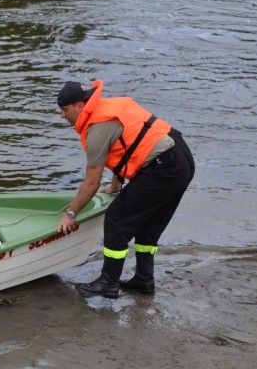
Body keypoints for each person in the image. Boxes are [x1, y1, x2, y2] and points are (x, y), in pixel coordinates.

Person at [55, 80, 194, 298]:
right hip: (180, 158)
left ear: (80, 105)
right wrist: (115, 184)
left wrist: (71, 214)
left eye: (64, 109)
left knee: (116, 220)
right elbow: (126, 148)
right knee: (148, 225)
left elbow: (91, 182)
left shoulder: (97, 128)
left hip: (163, 167)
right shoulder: (108, 107)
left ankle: (108, 282)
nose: (61, 115)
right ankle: (144, 280)